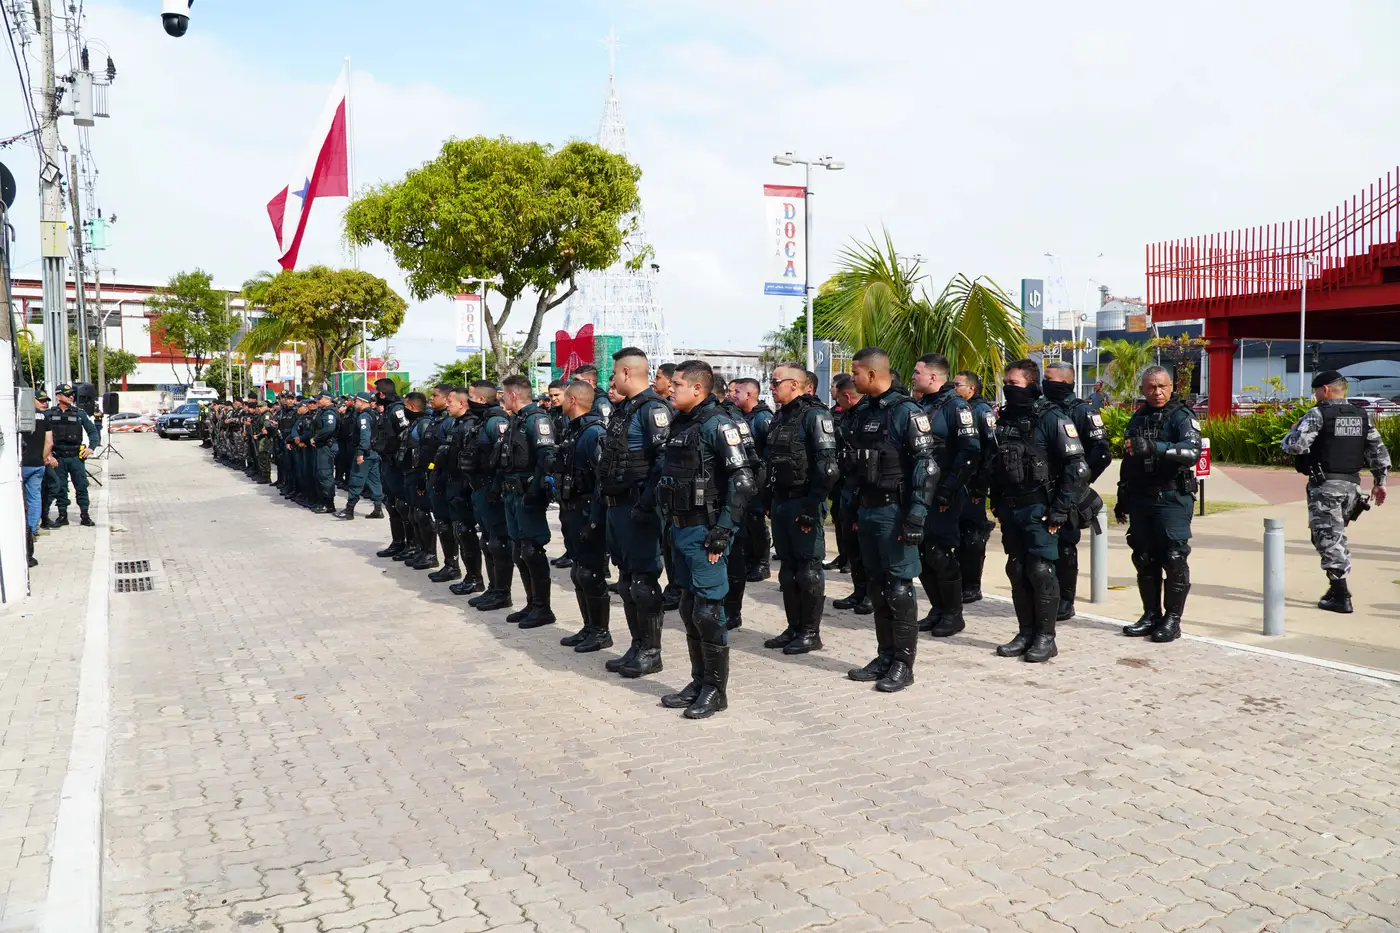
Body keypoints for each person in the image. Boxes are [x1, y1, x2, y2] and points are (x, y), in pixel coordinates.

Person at [655, 360, 755, 718]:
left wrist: (723, 531)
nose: (671, 389)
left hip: (706, 531)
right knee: (688, 606)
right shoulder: (682, 422)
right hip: (680, 528)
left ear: (697, 389)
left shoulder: (718, 424)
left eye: (678, 384)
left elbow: (743, 481)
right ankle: (698, 681)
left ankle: (715, 690)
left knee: (708, 611)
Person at [844, 348, 938, 692]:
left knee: (899, 589)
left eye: (856, 372)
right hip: (869, 510)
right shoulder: (864, 411)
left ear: (872, 374)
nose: (852, 378)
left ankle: (903, 664)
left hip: (895, 513)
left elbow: (927, 467)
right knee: (877, 587)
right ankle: (884, 656)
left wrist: (916, 516)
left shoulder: (906, 412)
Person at [989, 359, 1090, 662]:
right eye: (1006, 383)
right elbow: (997, 463)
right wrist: (995, 499)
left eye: (1014, 383)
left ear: (1032, 384)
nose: (1008, 389)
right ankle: (1025, 633)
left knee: (1040, 570)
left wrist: (1061, 508)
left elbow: (1078, 468)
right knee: (1017, 569)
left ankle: (1046, 637)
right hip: (1011, 507)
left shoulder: (1052, 417)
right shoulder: (1005, 418)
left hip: (1041, 508)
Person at [1282, 370, 1390, 613]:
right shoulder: (1361, 415)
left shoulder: (1318, 414)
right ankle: (1335, 586)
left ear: (1326, 389)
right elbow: (1377, 450)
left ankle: (1341, 596)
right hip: (1352, 487)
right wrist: (1380, 481)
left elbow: (1296, 446)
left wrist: (1292, 431)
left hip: (1326, 487)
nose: (1315, 395)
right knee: (1330, 535)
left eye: (1316, 391)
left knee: (1329, 538)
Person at [594, 347, 671, 678]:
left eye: (614, 373)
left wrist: (646, 505)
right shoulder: (625, 409)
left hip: (639, 507)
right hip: (618, 507)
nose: (612, 380)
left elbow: (663, 462)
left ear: (626, 372)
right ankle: (637, 646)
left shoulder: (653, 409)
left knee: (642, 581)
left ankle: (651, 652)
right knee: (626, 582)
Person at [1117, 365, 1202, 644]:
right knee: (1143, 557)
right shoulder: (1139, 417)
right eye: (1151, 387)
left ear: (1171, 387)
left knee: (1174, 558)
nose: (1157, 392)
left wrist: (1157, 448)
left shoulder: (1182, 416)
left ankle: (1172, 620)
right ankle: (1151, 615)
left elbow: (1192, 452)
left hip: (1172, 497)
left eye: (1162, 386)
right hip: (1141, 496)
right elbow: (1129, 458)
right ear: (1143, 389)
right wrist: (1122, 494)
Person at [760, 364, 839, 655]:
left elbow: (828, 468)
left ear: (794, 384)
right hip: (781, 501)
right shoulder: (781, 415)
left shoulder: (815, 415)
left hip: (803, 501)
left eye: (775, 382)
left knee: (808, 571)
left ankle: (810, 632)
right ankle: (794, 627)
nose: (771, 387)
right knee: (787, 570)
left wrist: (811, 506)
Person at [910, 354, 980, 638]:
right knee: (922, 553)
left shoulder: (956, 407)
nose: (913, 377)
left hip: (944, 493)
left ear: (933, 377)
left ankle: (953, 614)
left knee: (939, 552)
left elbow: (970, 452)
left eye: (917, 372)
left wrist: (948, 489)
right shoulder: (921, 406)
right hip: (921, 492)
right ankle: (938, 608)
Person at [1041, 361, 1113, 620]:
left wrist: (1079, 483)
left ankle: (1065, 600)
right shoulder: (1042, 409)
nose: (1044, 383)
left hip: (1069, 491)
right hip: (1044, 488)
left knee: (1065, 546)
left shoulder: (1083, 411)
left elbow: (1102, 453)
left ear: (1065, 382)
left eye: (1049, 379)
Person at [554, 381, 612, 651]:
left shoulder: (593, 433)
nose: (559, 402)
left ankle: (601, 632)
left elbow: (602, 480)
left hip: (587, 511)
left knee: (590, 573)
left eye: (564, 397)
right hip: (572, 509)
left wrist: (595, 519)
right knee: (579, 572)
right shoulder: (574, 430)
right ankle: (589, 627)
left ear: (573, 400)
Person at [498, 375, 558, 628]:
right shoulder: (517, 420)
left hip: (528, 494)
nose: (502, 399)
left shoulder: (537, 419)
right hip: (512, 493)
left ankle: (543, 608)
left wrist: (535, 492)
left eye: (504, 395)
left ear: (513, 395)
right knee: (519, 550)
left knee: (532, 550)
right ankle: (532, 603)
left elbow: (546, 457)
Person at [462, 382, 515, 611]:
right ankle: (493, 588)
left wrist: (496, 488)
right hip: (479, 488)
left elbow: (504, 458)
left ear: (482, 400)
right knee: (487, 541)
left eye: (471, 396)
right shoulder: (482, 421)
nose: (468, 400)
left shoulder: (496, 421)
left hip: (491, 489)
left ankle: (502, 592)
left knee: (498, 542)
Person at [716, 377, 763, 630]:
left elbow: (753, 462)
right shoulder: (691, 419)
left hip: (732, 501)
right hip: (705, 503)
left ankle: (732, 611)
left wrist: (746, 498)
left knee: (734, 558)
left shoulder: (733, 420)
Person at [953, 371, 998, 604]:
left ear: (971, 388)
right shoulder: (959, 409)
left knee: (972, 537)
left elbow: (991, 451)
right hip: (958, 483)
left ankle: (972, 585)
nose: (954, 389)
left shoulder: (982, 411)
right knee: (958, 535)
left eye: (958, 385)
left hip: (973, 485)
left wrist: (981, 485)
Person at [830, 375, 874, 614]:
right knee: (851, 545)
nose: (836, 402)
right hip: (847, 486)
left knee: (866, 548)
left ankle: (871, 595)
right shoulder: (848, 415)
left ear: (847, 396)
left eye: (838, 397)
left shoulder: (868, 415)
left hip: (864, 488)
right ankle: (859, 591)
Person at [731, 377, 774, 583]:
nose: (733, 395)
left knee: (756, 522)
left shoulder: (763, 417)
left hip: (759, 477)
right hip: (745, 477)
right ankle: (749, 561)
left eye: (737, 392)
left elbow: (771, 451)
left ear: (749, 394)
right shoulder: (741, 416)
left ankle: (762, 564)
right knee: (745, 521)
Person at [423, 385, 463, 580]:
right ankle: (449, 564)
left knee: (450, 525)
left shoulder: (450, 422)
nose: (432, 398)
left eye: (435, 395)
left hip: (448, 478)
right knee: (441, 522)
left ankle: (454, 566)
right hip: (436, 475)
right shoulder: (436, 419)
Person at [47, 384, 101, 527]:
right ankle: (62, 515)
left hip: (75, 457)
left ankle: (85, 515)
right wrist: (48, 455)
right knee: (60, 488)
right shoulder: (49, 414)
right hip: (58, 457)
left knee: (81, 486)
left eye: (72, 394)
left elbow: (93, 432)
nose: (71, 397)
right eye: (67, 394)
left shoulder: (79, 413)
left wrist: (91, 448)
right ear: (58, 396)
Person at [373, 379, 413, 557]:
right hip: (387, 461)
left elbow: (406, 434)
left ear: (382, 394)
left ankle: (411, 545)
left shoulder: (397, 409)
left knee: (402, 504)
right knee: (391, 504)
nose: (375, 396)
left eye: (377, 392)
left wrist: (400, 457)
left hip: (397, 464)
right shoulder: (388, 409)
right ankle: (398, 542)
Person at [393, 393, 433, 564]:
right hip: (409, 472)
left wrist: (424, 478)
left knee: (422, 514)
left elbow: (427, 453)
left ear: (412, 407)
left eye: (405, 406)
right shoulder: (415, 423)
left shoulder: (424, 423)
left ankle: (430, 554)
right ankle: (419, 550)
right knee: (412, 513)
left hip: (419, 474)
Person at [338, 392, 387, 520]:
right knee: (375, 481)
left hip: (365, 453)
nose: (354, 403)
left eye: (356, 401)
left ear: (362, 401)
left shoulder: (364, 416)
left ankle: (349, 510)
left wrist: (360, 453)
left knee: (356, 480)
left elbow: (365, 437)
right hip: (373, 453)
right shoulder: (373, 413)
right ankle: (378, 509)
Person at [21, 393, 56, 565]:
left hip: (21, 464)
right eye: (40, 400)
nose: (43, 403)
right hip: (37, 464)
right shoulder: (44, 417)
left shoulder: (18, 414)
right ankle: (32, 529)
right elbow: (49, 443)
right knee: (35, 497)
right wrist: (42, 458)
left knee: (19, 499)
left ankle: (22, 530)